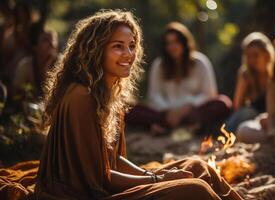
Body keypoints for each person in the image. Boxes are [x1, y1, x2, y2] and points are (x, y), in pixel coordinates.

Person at [35, 10, 242, 200]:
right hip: (86, 193)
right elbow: (98, 179)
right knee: (195, 189)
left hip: (107, 181)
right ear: (95, 49)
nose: (129, 54)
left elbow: (113, 159)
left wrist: (151, 174)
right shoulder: (82, 96)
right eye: (118, 46)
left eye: (132, 45)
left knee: (198, 166)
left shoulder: (106, 93)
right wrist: (158, 180)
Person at [126, 22, 231, 134]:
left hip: (192, 111)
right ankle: (184, 126)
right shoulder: (159, 65)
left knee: (223, 103)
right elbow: (154, 95)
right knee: (128, 109)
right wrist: (168, 111)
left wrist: (187, 107)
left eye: (176, 42)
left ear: (185, 43)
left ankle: (165, 126)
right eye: (168, 43)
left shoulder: (200, 62)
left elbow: (209, 93)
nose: (172, 47)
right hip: (165, 113)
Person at [225, 32, 275, 132]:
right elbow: (237, 106)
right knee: (248, 112)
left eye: (255, 55)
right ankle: (226, 135)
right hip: (251, 119)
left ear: (266, 54)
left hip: (272, 117)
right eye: (248, 56)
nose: (252, 59)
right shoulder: (245, 74)